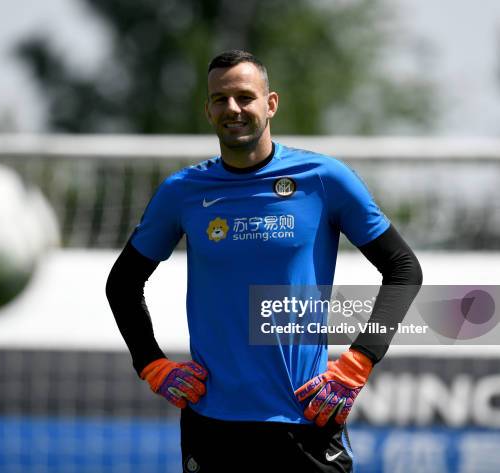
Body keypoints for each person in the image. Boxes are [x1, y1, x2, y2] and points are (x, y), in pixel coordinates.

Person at [106, 49, 422, 472]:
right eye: (220, 99)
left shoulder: (324, 179)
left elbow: (404, 269)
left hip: (306, 421)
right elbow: (123, 284)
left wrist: (358, 362)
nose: (232, 109)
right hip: (212, 425)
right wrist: (151, 364)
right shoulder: (183, 191)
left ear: (270, 103)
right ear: (208, 109)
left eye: (244, 97)